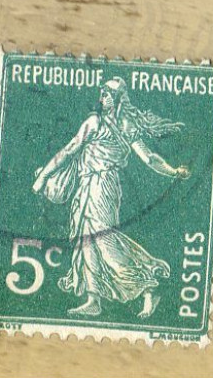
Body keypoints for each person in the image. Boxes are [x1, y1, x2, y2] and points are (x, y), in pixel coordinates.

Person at [32, 78, 190, 319]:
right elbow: (69, 149)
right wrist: (44, 177)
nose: (102, 96)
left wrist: (172, 171)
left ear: (118, 98)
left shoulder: (124, 126)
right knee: (86, 240)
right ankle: (93, 299)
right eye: (102, 92)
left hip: (103, 186)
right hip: (86, 185)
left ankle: (149, 286)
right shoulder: (94, 122)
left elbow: (149, 158)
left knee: (104, 239)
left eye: (108, 93)